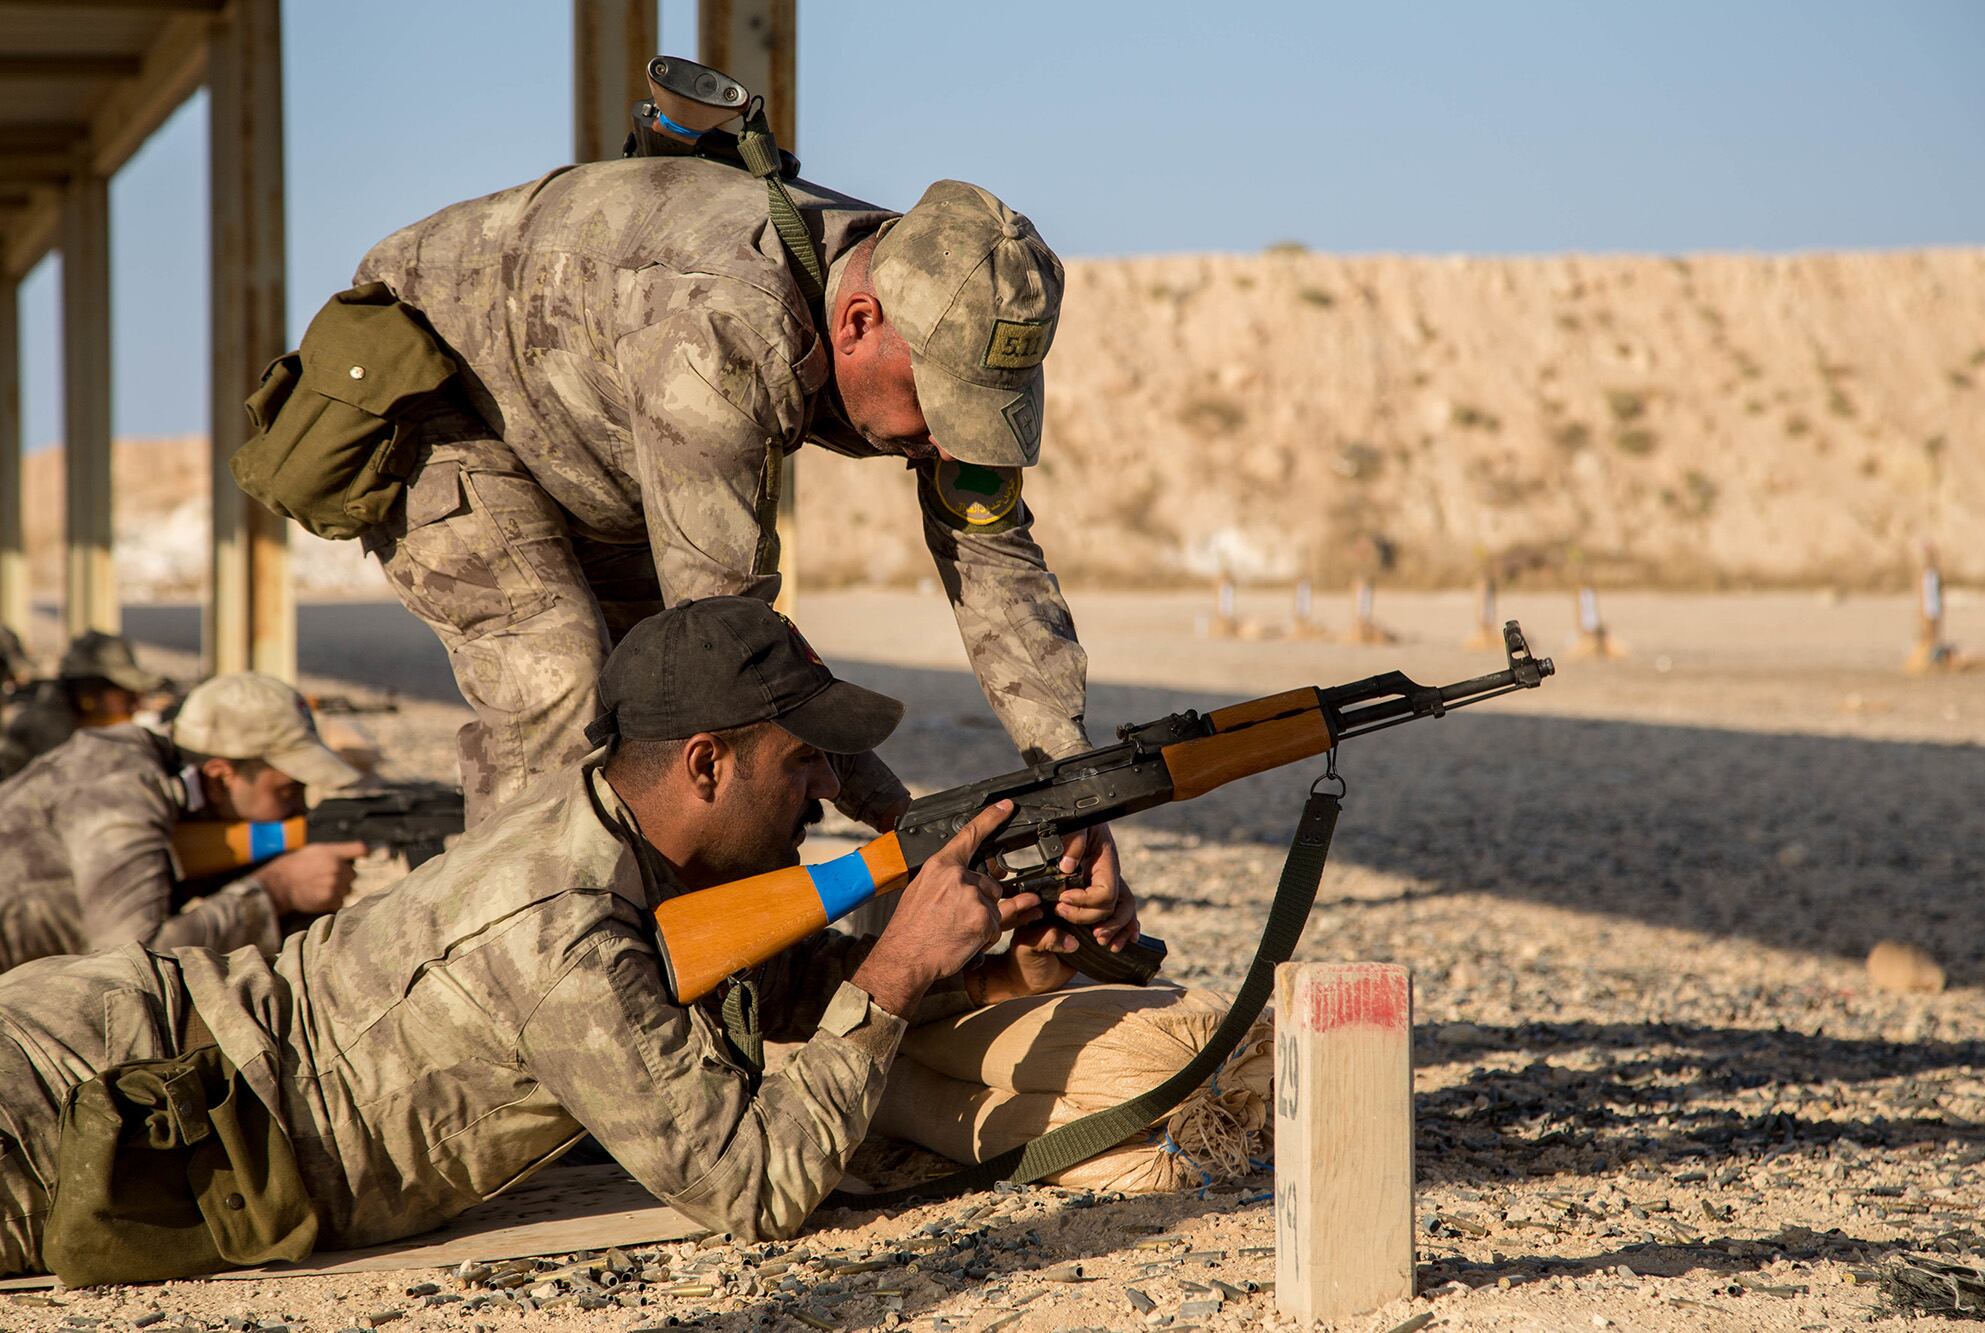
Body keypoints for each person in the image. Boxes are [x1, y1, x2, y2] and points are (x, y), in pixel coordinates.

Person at [0, 598, 1139, 1275]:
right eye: (804, 764)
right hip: (98, 1092)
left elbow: (798, 993)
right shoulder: (565, 923)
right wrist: (894, 968)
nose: (830, 793)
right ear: (706, 763)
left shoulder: (630, 842)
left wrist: (1022, 950)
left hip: (159, 1068)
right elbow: (753, 1187)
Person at [255, 153, 1111, 896]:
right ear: (858, 322)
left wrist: (1070, 780)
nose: (946, 437)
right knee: (560, 677)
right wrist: (898, 816)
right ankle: (523, 969)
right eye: (938, 405)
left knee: (670, 735)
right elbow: (730, 652)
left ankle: (645, 925)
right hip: (440, 403)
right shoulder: (723, 331)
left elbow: (994, 551)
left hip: (598, 434)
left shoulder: (940, 304)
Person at [0, 672, 368, 974]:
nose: (299, 808)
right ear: (222, 775)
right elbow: (126, 960)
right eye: (288, 791)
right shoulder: (118, 785)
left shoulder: (167, 782)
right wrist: (278, 890)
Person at [0, 631, 170, 782]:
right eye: (125, 692)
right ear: (89, 695)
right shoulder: (48, 743)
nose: (136, 702)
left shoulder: (76, 731)